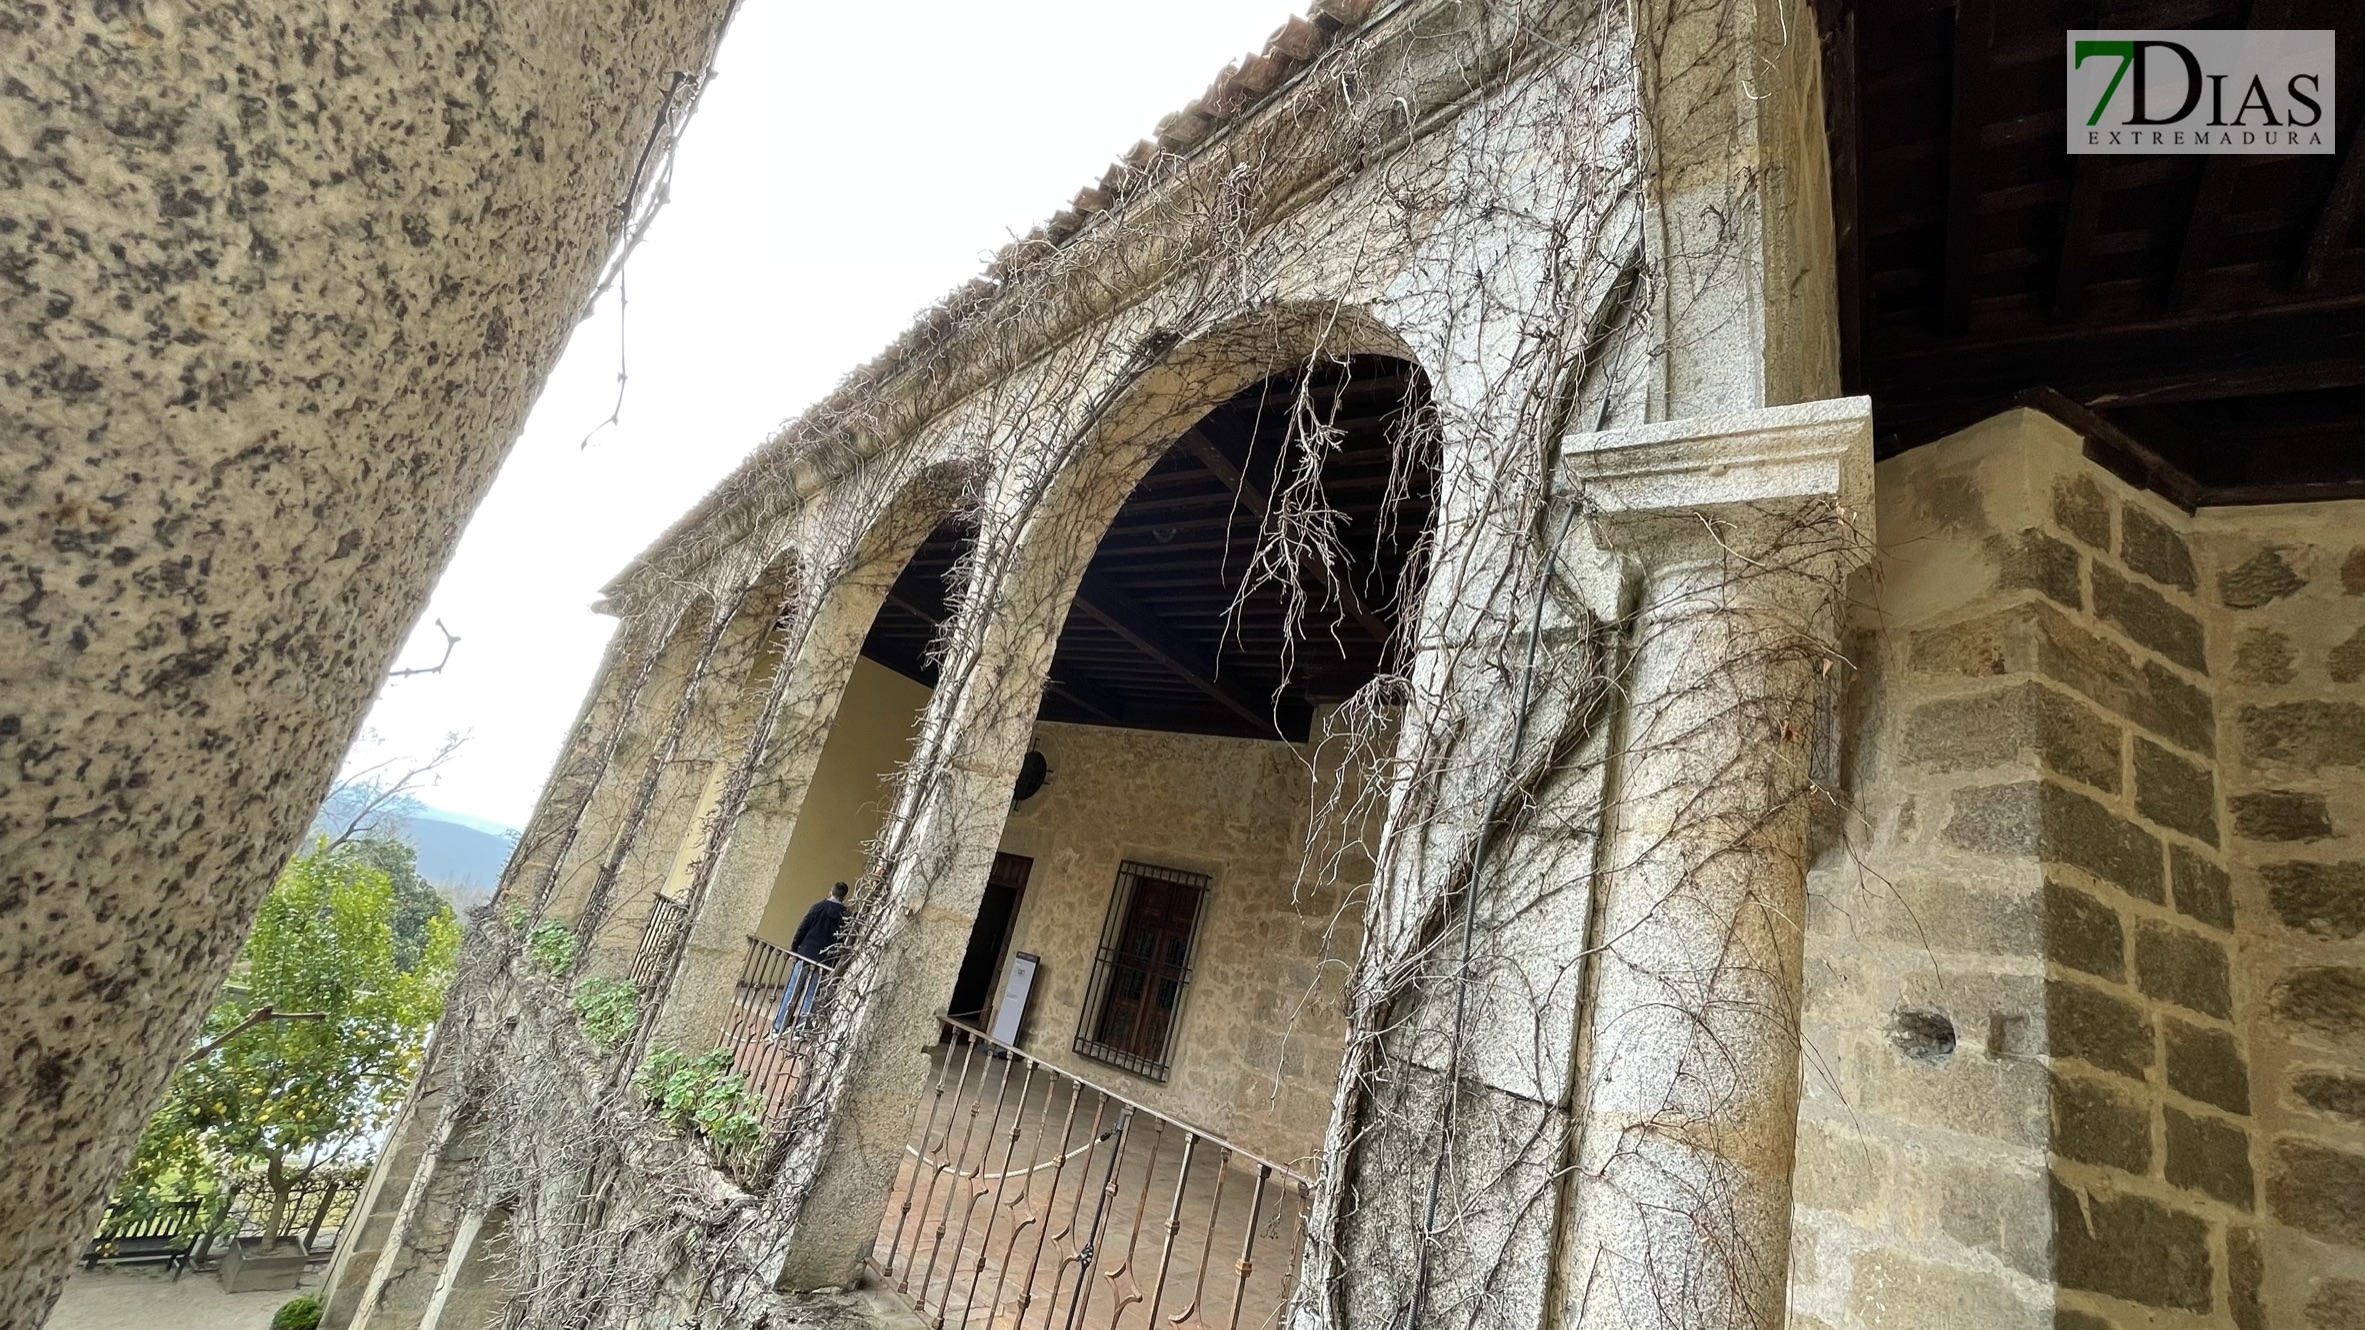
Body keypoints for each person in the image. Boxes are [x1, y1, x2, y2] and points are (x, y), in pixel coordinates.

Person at [771, 882, 847, 1034]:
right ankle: (802, 1029)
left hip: (806, 954)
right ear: (843, 896)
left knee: (792, 990)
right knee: (811, 995)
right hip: (824, 960)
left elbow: (803, 928)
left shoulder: (818, 907)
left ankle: (779, 1026)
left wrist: (794, 949)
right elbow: (842, 940)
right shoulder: (845, 915)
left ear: (830, 891)